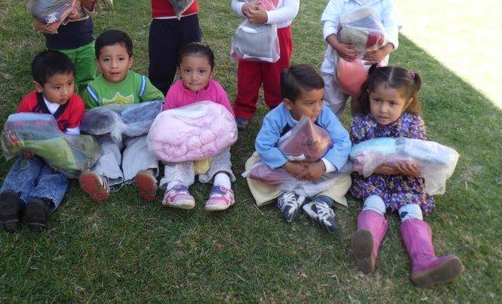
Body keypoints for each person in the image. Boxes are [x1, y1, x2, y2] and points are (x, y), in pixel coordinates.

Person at [349, 65, 463, 287]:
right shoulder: (362, 122)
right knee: (373, 202)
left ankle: (424, 261)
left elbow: (422, 156)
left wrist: (413, 170)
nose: (383, 109)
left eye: (392, 103)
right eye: (377, 100)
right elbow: (352, 159)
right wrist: (377, 168)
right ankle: (367, 247)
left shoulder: (413, 124)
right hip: (374, 178)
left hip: (406, 180)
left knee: (412, 210)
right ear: (369, 95)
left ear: (407, 103)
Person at [0, 50, 85, 232]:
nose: (66, 92)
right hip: (33, 151)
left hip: (59, 152)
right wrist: (24, 147)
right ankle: (12, 200)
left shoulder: (76, 104)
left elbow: (72, 136)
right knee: (25, 168)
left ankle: (41, 202)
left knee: (56, 173)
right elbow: (19, 128)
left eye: (70, 83)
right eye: (57, 87)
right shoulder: (29, 103)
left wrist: (61, 158)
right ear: (39, 87)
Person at [253, 64, 351, 233]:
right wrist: (287, 166)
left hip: (318, 168)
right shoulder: (275, 118)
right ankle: (286, 197)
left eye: (321, 100)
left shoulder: (324, 114)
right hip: (286, 169)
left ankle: (321, 202)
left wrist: (323, 166)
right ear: (288, 104)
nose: (318, 108)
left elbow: (343, 141)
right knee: (253, 167)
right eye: (310, 103)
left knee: (346, 176)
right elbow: (263, 146)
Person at [79, 29, 164, 203]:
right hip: (108, 134)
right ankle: (101, 179)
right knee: (105, 149)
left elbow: (158, 103)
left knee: (143, 146)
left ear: (130, 61)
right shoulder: (93, 89)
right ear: (97, 63)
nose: (114, 65)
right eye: (106, 60)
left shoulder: (140, 83)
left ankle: (145, 175)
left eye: (120, 59)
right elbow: (89, 117)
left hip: (137, 131)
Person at [230, 0, 300, 130]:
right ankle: (243, 110)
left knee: (276, 76)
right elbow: (235, 2)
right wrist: (243, 7)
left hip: (278, 35)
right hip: (251, 35)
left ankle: (278, 110)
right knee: (247, 74)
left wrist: (267, 17)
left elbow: (291, 9)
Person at [320, 0, 401, 115]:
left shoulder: (386, 3)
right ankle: (325, 130)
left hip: (369, 67)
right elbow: (329, 25)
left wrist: (383, 52)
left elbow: (392, 30)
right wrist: (337, 46)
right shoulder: (339, 0)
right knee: (330, 105)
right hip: (337, 64)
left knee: (363, 108)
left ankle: (359, 131)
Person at [159, 42, 236, 211]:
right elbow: (166, 122)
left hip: (212, 141)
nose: (194, 77)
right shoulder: (175, 91)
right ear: (179, 70)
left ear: (212, 71)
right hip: (184, 142)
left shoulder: (217, 91)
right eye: (188, 71)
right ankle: (175, 187)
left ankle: (222, 186)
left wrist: (215, 135)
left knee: (223, 152)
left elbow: (228, 120)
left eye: (201, 71)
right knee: (174, 154)